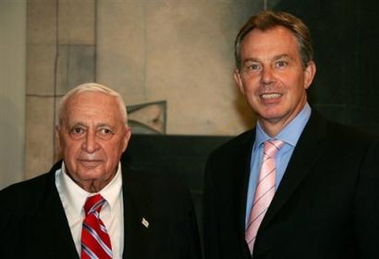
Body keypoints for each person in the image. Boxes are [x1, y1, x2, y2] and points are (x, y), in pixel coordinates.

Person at [203, 10, 379, 259]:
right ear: (239, 81)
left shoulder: (362, 155)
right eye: (254, 66)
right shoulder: (221, 164)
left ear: (307, 74)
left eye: (281, 63)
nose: (266, 78)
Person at [0, 83, 202, 259]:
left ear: (125, 139)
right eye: (77, 130)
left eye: (104, 131)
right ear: (59, 137)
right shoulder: (11, 209)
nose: (89, 145)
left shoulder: (170, 203)